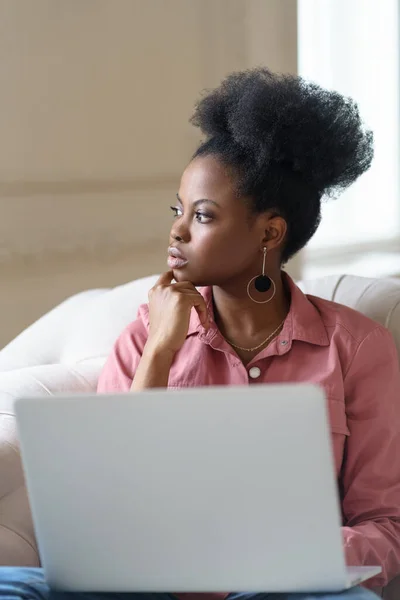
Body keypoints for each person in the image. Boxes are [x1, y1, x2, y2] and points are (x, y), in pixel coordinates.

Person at [1, 68, 399, 600]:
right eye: (178, 210)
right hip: (144, 584)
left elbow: (384, 524)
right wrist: (162, 350)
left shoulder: (358, 348)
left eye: (203, 215)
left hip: (281, 588)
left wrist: (279, 561)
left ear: (270, 232)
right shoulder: (147, 334)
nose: (177, 230)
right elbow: (106, 500)